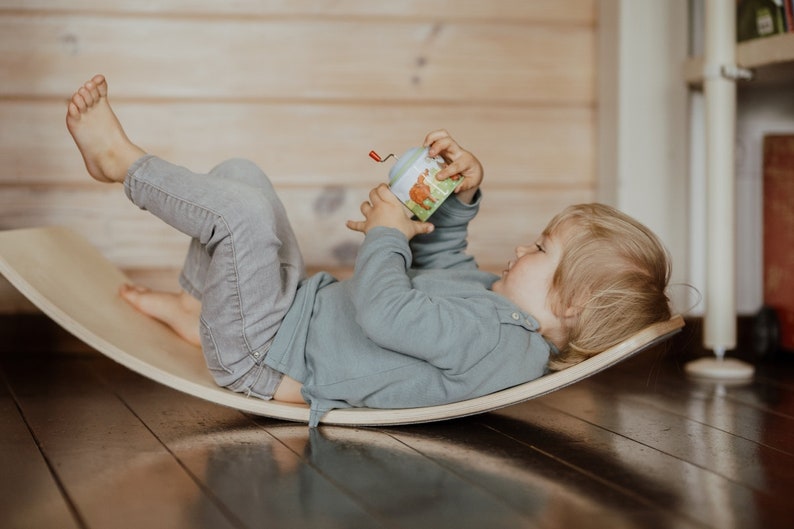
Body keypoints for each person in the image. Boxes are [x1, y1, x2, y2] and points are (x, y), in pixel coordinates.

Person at [66, 74, 672, 426]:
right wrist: (461, 192)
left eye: (541, 248)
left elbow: (385, 313)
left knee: (241, 213)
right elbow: (442, 261)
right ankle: (195, 308)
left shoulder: (502, 345)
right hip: (288, 316)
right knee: (240, 174)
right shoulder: (496, 308)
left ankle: (120, 165)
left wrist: (387, 231)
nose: (521, 246)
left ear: (574, 303)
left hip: (267, 358)